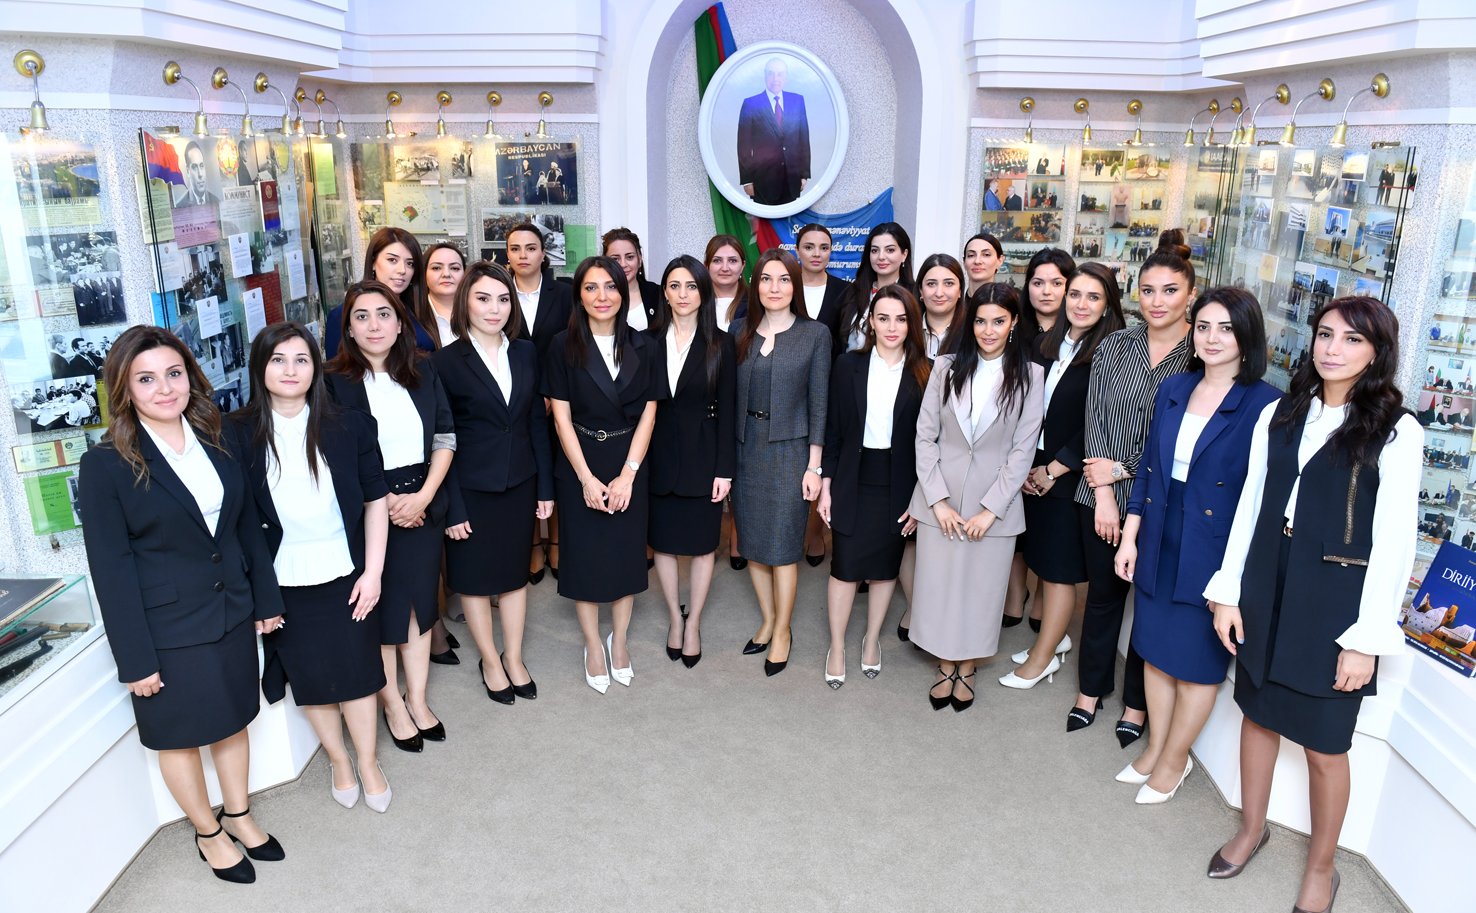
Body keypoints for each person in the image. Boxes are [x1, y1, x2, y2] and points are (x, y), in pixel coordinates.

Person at [1203, 296, 1419, 913]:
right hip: (1267, 583)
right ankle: (1251, 829)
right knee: (1257, 717)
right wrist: (1228, 591)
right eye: (1325, 334)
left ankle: (1322, 868)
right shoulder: (1281, 411)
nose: (1332, 349)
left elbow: (1395, 544)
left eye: (1352, 340)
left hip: (1335, 603)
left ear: (1376, 352)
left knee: (1326, 747)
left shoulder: (1398, 429)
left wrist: (1365, 639)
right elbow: (1251, 504)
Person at [79, 325, 285, 883]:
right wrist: (135, 660)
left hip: (231, 610)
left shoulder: (217, 438)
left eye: (173, 374)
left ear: (190, 377)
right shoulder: (105, 464)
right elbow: (111, 568)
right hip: (166, 628)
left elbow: (245, 526)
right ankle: (207, 832)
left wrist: (264, 599)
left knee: (234, 719)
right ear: (124, 389)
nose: (164, 388)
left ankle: (238, 815)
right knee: (181, 735)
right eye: (146, 379)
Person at [1110, 288, 1280, 803]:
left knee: (1197, 663)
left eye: (1226, 328)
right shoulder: (1176, 386)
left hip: (1215, 547)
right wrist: (1130, 538)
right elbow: (1148, 469)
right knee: (1154, 651)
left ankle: (1175, 758)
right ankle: (1157, 748)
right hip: (1160, 531)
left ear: (1247, 336)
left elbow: (1261, 498)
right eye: (1203, 326)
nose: (1212, 338)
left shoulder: (1266, 404)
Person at [226, 322, 394, 812]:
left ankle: (368, 762)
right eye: (278, 360)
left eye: (301, 359)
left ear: (315, 367)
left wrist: (373, 573)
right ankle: (339, 760)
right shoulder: (234, 433)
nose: (290, 370)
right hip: (283, 580)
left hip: (347, 571)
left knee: (359, 673)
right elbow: (237, 523)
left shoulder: (350, 425)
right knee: (313, 679)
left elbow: (376, 502)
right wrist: (260, 595)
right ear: (260, 367)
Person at [326, 281, 462, 751]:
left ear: (401, 323)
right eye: (361, 316)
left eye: (384, 314)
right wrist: (381, 501)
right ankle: (393, 705)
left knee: (419, 609)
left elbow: (445, 436)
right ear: (348, 328)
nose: (374, 325)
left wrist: (424, 496)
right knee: (382, 614)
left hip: (421, 502)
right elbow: (333, 455)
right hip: (369, 507)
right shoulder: (332, 381)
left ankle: (417, 699)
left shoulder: (423, 370)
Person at [1071, 230, 1195, 745]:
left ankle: (1137, 705)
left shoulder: (1200, 358)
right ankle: (1089, 691)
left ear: (1190, 293)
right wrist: (1103, 493)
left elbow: (1182, 443)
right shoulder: (1115, 344)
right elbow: (1095, 419)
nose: (1157, 301)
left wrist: (1120, 472)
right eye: (1147, 290)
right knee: (1102, 598)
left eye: (1169, 291)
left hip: (1163, 503)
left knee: (1148, 607)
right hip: (1098, 498)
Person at [910, 283, 1043, 711]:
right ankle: (944, 663)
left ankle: (966, 667)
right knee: (939, 586)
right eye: (981, 321)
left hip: (995, 503)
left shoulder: (1031, 375)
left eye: (998, 321)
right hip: (942, 498)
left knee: (982, 590)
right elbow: (925, 436)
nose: (988, 330)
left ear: (1014, 322)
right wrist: (937, 499)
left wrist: (990, 510)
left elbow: (1023, 450)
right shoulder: (946, 367)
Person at [433, 261, 554, 704]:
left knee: (515, 577)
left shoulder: (526, 352)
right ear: (465, 302)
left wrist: (545, 488)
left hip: (520, 483)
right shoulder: (445, 362)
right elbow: (441, 439)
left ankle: (514, 656)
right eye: (483, 298)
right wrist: (452, 506)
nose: (494, 308)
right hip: (470, 490)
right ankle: (489, 660)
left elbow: (536, 423)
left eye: (503, 299)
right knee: (475, 582)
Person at [543, 256, 664, 693]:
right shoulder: (562, 345)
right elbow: (560, 417)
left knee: (626, 556)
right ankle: (593, 644)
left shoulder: (646, 345)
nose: (602, 296)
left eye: (610, 286)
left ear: (623, 291)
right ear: (579, 295)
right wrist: (586, 479)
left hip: (628, 459)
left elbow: (649, 413)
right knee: (585, 558)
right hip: (580, 460)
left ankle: (621, 640)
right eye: (591, 287)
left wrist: (628, 474)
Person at [1003, 263, 1124, 690]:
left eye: (1093, 296)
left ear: (1108, 303)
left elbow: (1101, 421)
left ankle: (1042, 659)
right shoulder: (1048, 343)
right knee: (1043, 561)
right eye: (1075, 294)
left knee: (1058, 571)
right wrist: (1026, 465)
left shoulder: (1111, 352)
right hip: (1037, 464)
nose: (1081, 304)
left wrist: (1055, 469)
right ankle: (1053, 642)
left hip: (1073, 472)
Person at [818, 285, 926, 688]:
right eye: (883, 318)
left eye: (901, 319)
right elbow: (833, 430)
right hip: (852, 475)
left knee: (884, 570)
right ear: (871, 323)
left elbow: (930, 443)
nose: (892, 327)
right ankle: (837, 645)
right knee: (844, 567)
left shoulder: (927, 372)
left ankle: (871, 640)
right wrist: (826, 484)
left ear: (912, 323)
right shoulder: (848, 365)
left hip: (900, 481)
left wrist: (921, 499)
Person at [732, 249, 831, 675]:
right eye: (766, 279)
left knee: (784, 547)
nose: (774, 288)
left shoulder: (815, 334)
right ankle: (768, 619)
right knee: (752, 543)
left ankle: (784, 631)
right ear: (755, 285)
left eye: (784, 279)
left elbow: (820, 404)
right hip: (745, 448)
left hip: (792, 452)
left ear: (796, 285)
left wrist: (814, 466)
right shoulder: (739, 330)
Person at [647, 256, 736, 668]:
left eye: (691, 286)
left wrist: (725, 470)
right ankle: (674, 618)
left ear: (703, 293)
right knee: (663, 546)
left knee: (703, 547)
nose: (683, 294)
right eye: (674, 286)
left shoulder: (722, 343)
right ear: (664, 292)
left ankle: (694, 622)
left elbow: (729, 411)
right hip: (657, 458)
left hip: (704, 459)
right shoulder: (645, 341)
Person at [999, 247, 1076, 631]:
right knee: (1014, 529)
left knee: (1050, 537)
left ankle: (1042, 600)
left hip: (1059, 453)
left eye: (1057, 283)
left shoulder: (1079, 336)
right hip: (1014, 446)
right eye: (1038, 282)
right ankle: (1016, 594)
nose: (1046, 291)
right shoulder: (1015, 331)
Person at [506, 222, 574, 582]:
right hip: (513, 400)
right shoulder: (499, 293)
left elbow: (571, 346)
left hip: (558, 397)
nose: (523, 255)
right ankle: (533, 545)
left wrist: (552, 393)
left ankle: (558, 544)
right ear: (507, 254)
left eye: (530, 248)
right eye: (515, 248)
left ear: (543, 254)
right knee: (527, 472)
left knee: (560, 470)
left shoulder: (563, 293)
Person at [325, 228, 436, 357]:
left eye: (410, 263)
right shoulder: (343, 315)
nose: (402, 270)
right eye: (392, 260)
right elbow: (336, 366)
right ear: (373, 262)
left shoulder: (418, 307)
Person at [736, 56, 811, 206]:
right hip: (762, 182)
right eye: (771, 73)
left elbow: (803, 138)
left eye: (780, 74)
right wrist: (747, 180)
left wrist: (804, 174)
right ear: (765, 76)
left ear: (786, 77)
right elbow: (744, 145)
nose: (776, 79)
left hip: (792, 179)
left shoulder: (797, 101)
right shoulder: (751, 104)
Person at [836, 223, 915, 356]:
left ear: (904, 254)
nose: (881, 256)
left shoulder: (915, 295)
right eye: (874, 250)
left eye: (890, 250)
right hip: (852, 367)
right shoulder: (852, 292)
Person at [795, 223, 850, 338]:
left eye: (824, 248)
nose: (817, 254)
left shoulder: (846, 290)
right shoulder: (786, 288)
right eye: (808, 247)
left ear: (830, 251)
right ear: (797, 251)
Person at [602, 227, 661, 331]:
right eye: (615, 259)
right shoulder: (598, 297)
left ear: (640, 259)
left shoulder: (658, 294)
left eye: (629, 257)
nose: (623, 264)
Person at [422, 242, 466, 347]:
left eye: (454, 268)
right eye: (436, 268)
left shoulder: (477, 311)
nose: (446, 274)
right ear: (424, 273)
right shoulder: (410, 316)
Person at [707, 234, 750, 326]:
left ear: (742, 266)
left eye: (732, 261)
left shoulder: (757, 303)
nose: (725, 268)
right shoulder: (695, 303)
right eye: (717, 261)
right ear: (706, 266)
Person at [173, 140, 217, 207]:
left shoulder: (216, 201)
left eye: (201, 166)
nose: (200, 174)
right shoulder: (180, 206)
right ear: (188, 171)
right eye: (194, 167)